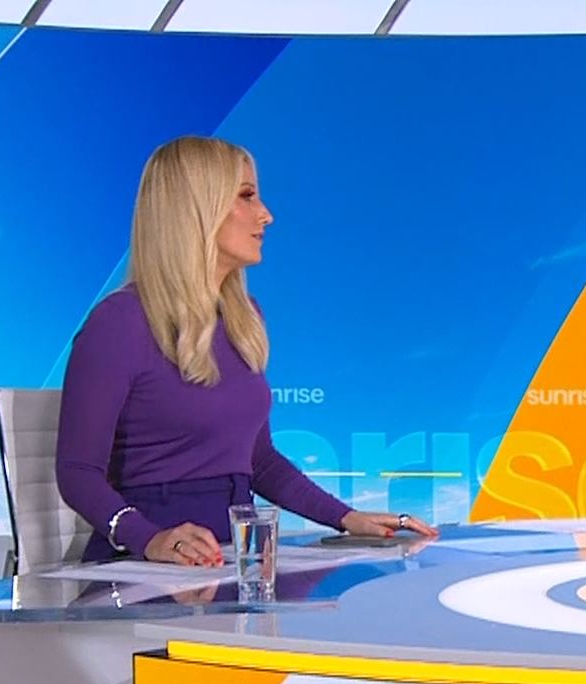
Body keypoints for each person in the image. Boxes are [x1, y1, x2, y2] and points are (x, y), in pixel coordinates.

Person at [57, 136, 435, 566]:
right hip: (145, 565)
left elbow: (260, 462)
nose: (266, 215)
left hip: (233, 555)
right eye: (247, 196)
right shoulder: (119, 322)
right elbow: (78, 473)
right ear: (197, 208)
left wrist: (346, 518)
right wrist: (150, 539)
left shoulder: (243, 317)